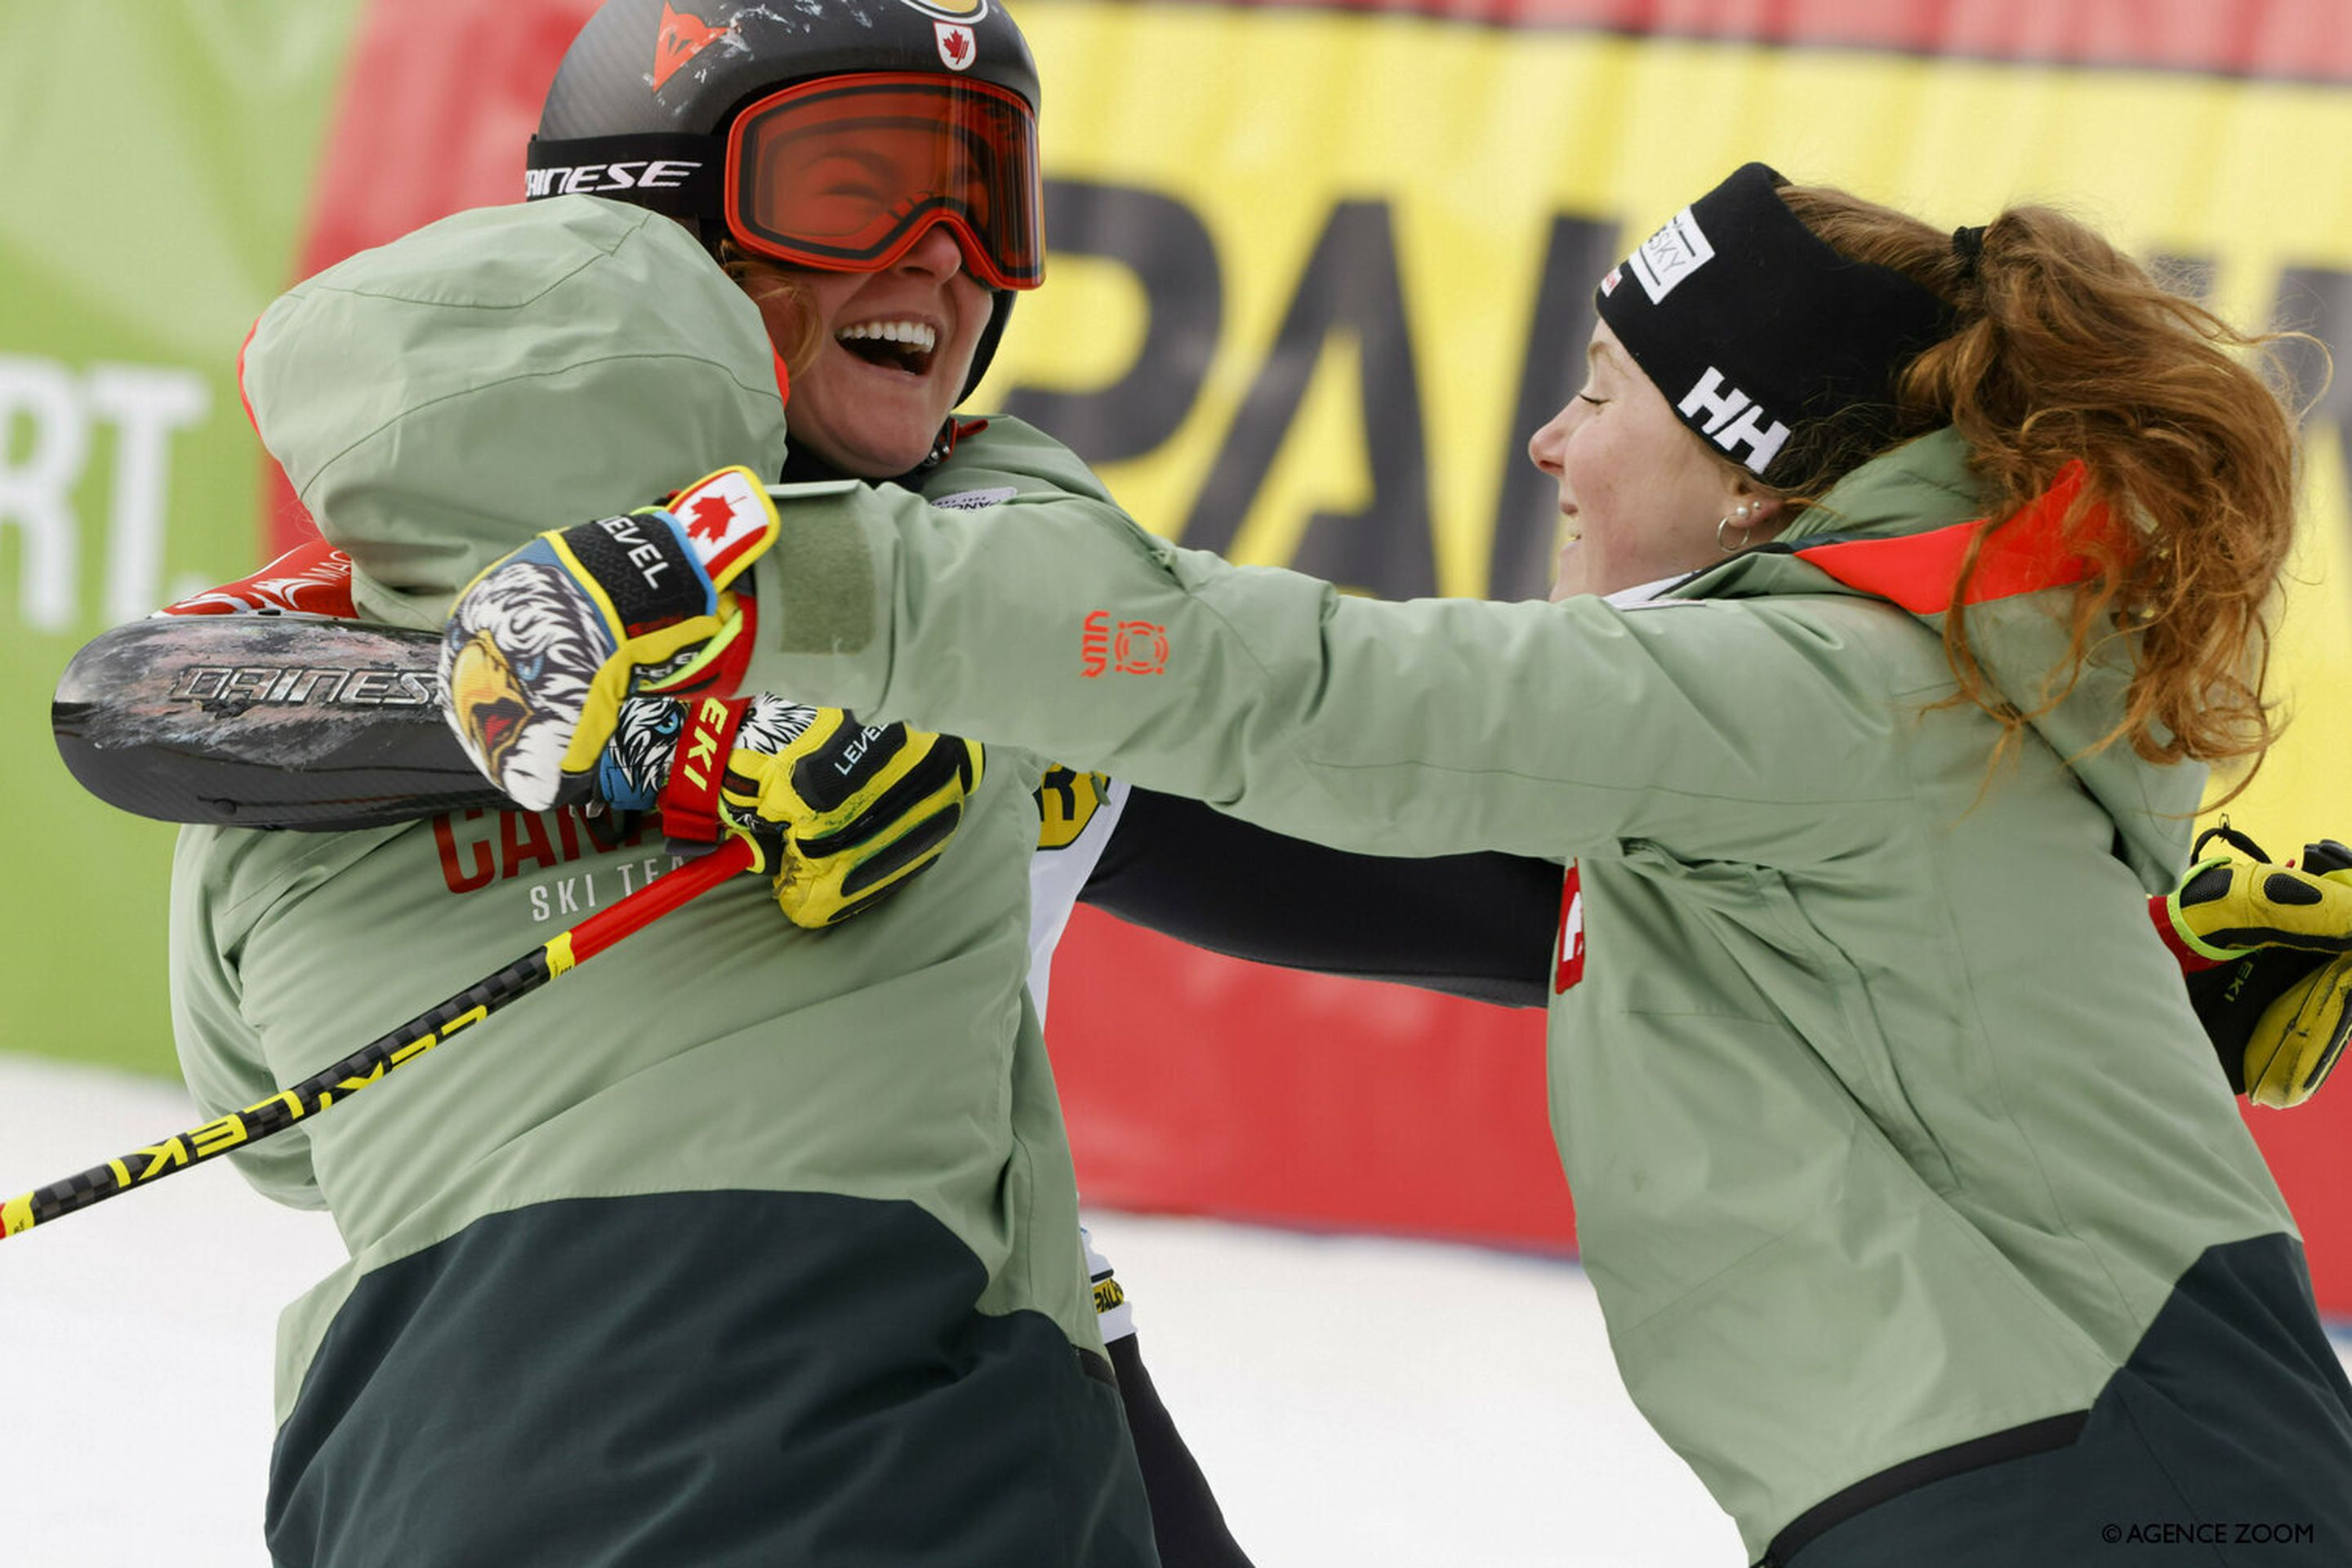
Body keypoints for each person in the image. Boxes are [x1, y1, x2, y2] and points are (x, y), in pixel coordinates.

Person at [448, 163, 2352, 1562]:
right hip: (2076, 1480)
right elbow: (1800, 974)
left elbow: (1304, 693)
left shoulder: (1810, 689)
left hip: (2094, 1492)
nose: (1547, 440)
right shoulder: (1874, 707)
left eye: (1604, 393)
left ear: (1751, 470)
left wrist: (781, 573)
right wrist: (2157, 994)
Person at [172, 2, 1573, 1562]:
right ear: (650, 230)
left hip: (539, 1436)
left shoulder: (980, 587)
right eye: (856, 187)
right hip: (912, 1418)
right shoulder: (973, 600)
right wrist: (678, 751)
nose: (944, 253)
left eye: (989, 195)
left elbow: (1499, 890)